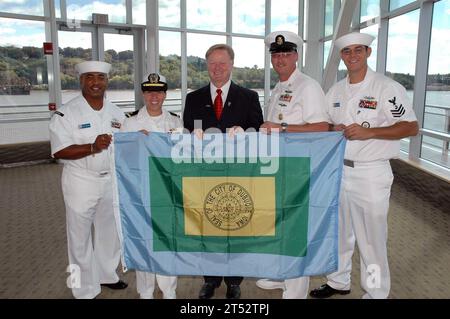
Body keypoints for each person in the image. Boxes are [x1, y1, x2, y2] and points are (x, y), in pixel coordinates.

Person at [309, 32, 419, 299]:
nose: (353, 55)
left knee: (370, 239)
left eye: (359, 50)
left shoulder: (386, 88)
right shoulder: (335, 91)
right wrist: (333, 128)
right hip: (338, 171)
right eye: (347, 51)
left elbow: (411, 127)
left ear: (368, 53)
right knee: (339, 232)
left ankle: (374, 292)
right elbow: (326, 126)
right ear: (342, 56)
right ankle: (338, 281)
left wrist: (372, 132)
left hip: (370, 172)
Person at [183, 43, 264, 299]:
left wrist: (247, 132)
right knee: (207, 226)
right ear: (206, 66)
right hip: (204, 173)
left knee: (237, 226)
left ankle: (234, 280)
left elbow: (259, 130)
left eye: (222, 63)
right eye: (212, 63)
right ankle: (210, 279)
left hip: (238, 174)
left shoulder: (248, 97)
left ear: (232, 65)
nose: (217, 68)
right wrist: (190, 135)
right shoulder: (193, 98)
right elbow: (186, 132)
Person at [255, 31, 330, 299]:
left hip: (299, 168)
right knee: (282, 224)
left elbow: (323, 127)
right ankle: (283, 274)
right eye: (276, 55)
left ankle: (296, 290)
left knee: (297, 229)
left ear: (296, 56)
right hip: (280, 167)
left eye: (286, 53)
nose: (280, 59)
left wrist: (282, 126)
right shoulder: (280, 87)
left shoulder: (307, 87)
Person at [49, 61, 128, 299]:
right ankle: (84, 289)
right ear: (81, 81)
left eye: (100, 77)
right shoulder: (66, 113)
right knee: (79, 235)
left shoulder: (117, 112)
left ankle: (106, 274)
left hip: (111, 180)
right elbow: (59, 150)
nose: (96, 82)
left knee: (110, 231)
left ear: (106, 81)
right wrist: (92, 146)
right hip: (81, 180)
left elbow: (127, 144)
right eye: (90, 77)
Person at [120, 73, 182, 299]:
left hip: (167, 190)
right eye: (149, 91)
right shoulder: (129, 122)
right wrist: (133, 142)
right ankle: (145, 292)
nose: (154, 96)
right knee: (143, 240)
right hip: (140, 190)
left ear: (165, 94)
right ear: (143, 94)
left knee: (168, 241)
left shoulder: (176, 121)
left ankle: (169, 291)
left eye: (158, 91)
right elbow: (120, 158)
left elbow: (182, 156)